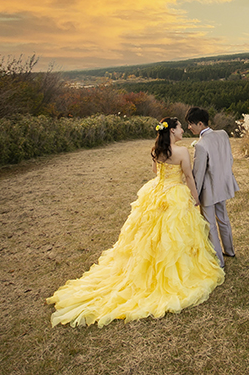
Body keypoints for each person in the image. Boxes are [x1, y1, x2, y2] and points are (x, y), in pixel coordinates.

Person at [46, 117, 224, 327]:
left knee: (150, 232)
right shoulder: (183, 152)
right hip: (174, 193)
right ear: (172, 131)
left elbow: (155, 172)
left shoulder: (156, 150)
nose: (183, 130)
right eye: (180, 127)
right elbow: (188, 177)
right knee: (174, 233)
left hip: (157, 192)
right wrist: (194, 198)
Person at [186, 107, 238, 269]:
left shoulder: (201, 145)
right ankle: (229, 251)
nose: (189, 127)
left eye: (190, 124)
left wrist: (194, 195)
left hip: (209, 190)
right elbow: (229, 159)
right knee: (223, 219)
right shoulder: (223, 134)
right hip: (223, 185)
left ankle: (218, 261)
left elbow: (198, 174)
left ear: (200, 124)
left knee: (210, 225)